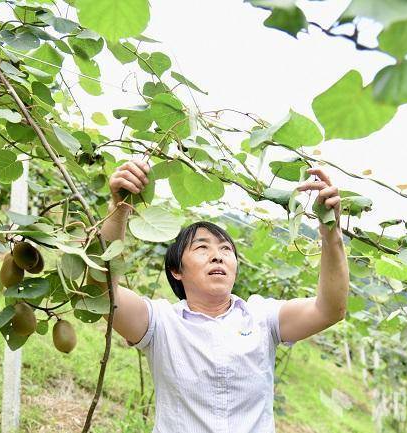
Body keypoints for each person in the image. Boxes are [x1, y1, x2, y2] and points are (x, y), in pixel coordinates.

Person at [100, 157, 349, 433]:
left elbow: (330, 309)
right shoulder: (160, 323)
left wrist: (331, 233)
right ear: (176, 270)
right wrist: (118, 209)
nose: (217, 256)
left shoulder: (261, 318)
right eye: (202, 248)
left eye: (226, 249)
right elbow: (102, 288)